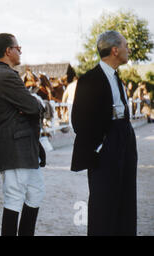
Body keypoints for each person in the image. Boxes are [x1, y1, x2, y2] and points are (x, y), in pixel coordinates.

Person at [71, 30, 137, 236]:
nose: (129, 50)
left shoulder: (118, 78)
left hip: (125, 139)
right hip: (105, 146)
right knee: (103, 199)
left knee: (126, 197)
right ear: (115, 50)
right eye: (126, 46)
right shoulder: (90, 79)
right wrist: (99, 146)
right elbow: (78, 120)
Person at [0, 33, 46, 236]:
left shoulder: (8, 74)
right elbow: (32, 107)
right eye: (18, 47)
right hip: (14, 146)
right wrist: (36, 103)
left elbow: (31, 108)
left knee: (36, 192)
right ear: (8, 51)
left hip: (24, 145)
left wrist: (34, 105)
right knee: (14, 197)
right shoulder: (5, 76)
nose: (20, 50)